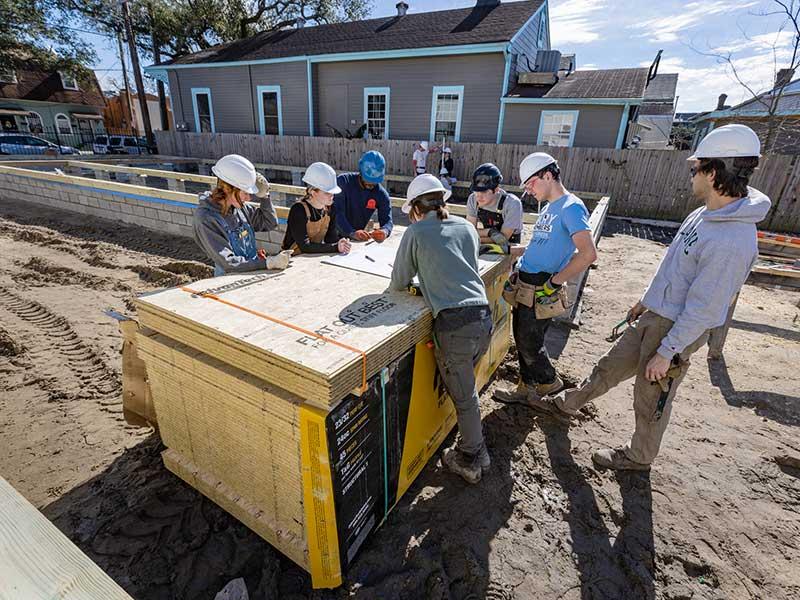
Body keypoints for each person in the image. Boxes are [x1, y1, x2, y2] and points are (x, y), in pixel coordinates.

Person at [527, 124, 771, 472]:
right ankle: (566, 404)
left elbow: (707, 309)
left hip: (677, 328)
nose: (692, 175)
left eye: (695, 168)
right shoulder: (704, 214)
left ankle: (638, 457)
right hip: (655, 313)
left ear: (713, 172)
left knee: (651, 395)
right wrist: (646, 300)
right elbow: (673, 266)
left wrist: (668, 352)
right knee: (609, 366)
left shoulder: (733, 241)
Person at [390, 174, 493, 485]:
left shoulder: (417, 231)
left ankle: (470, 459)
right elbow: (465, 270)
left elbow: (398, 282)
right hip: (482, 317)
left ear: (416, 209)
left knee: (465, 398)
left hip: (455, 326)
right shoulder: (465, 226)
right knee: (466, 392)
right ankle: (480, 451)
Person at [494, 153, 598, 403]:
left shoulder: (571, 207)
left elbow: (588, 253)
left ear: (548, 175)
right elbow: (540, 246)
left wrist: (554, 282)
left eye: (530, 183)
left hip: (542, 284)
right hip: (526, 281)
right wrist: (513, 256)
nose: (528, 191)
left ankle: (549, 383)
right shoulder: (550, 208)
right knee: (522, 337)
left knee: (530, 342)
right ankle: (524, 389)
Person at [194, 154, 290, 276]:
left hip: (252, 273)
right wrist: (267, 263)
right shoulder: (206, 219)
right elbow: (228, 262)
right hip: (228, 280)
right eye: (245, 192)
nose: (248, 198)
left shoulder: (241, 209)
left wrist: (265, 197)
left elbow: (269, 223)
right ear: (228, 189)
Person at [282, 161, 352, 255]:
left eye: (332, 192)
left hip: (312, 257)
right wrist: (335, 247)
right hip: (291, 259)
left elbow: (330, 239)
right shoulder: (298, 210)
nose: (332, 196)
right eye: (327, 192)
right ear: (313, 192)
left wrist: (341, 243)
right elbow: (305, 246)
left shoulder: (330, 209)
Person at [333, 151, 393, 242]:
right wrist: (351, 232)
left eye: (374, 182)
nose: (371, 185)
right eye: (367, 181)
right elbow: (337, 212)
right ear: (360, 172)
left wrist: (384, 231)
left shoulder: (381, 194)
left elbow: (387, 220)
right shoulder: (343, 182)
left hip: (354, 240)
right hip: (332, 236)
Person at [465, 163, 524, 254]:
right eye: (476, 191)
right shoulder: (473, 199)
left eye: (484, 192)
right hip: (485, 247)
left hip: (509, 250)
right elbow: (469, 231)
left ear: (496, 189)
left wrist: (477, 238)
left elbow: (502, 240)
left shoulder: (512, 204)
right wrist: (490, 232)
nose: (478, 197)